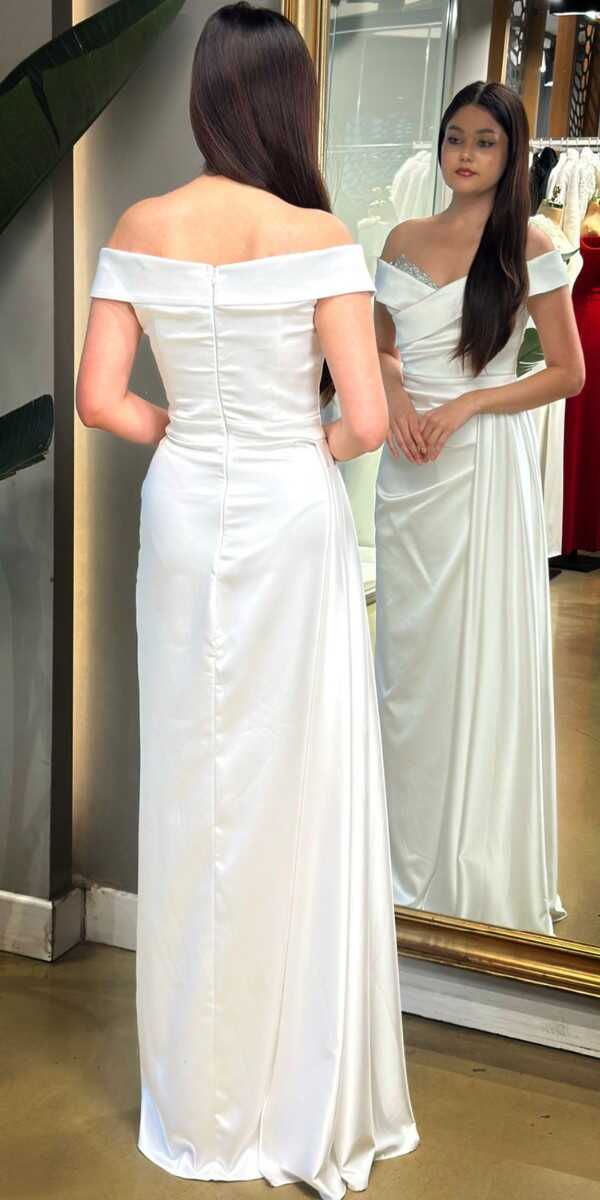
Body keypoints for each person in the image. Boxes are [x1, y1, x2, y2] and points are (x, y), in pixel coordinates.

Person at [75, 4, 419, 1196]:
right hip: (288, 512)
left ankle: (198, 1101)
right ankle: (289, 1082)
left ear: (204, 98)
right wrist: (289, 447)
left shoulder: (140, 224)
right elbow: (366, 420)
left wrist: (180, 430)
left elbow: (99, 400)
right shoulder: (319, 235)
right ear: (290, 102)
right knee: (296, 779)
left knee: (192, 780)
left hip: (184, 509)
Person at [373, 80, 584, 936]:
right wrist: (397, 400)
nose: (465, 154)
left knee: (477, 656)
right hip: (407, 469)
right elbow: (382, 349)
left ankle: (470, 859)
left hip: (483, 467)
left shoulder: (530, 241)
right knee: (407, 664)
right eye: (455, 137)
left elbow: (568, 372)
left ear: (511, 152)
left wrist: (468, 404)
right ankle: (397, 850)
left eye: (485, 141)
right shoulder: (403, 238)